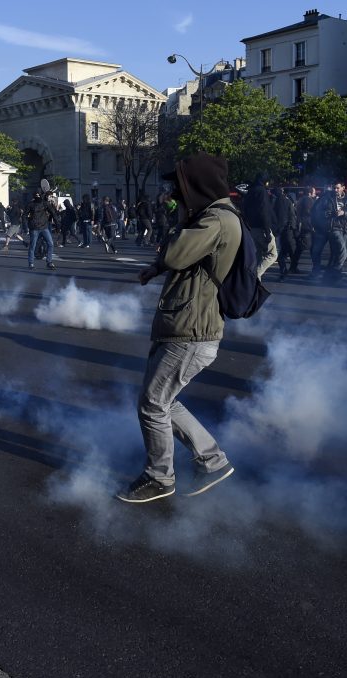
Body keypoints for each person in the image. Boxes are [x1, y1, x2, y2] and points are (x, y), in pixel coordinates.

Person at [117, 152, 240, 503]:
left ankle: (160, 477)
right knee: (162, 401)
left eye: (179, 185)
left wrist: (181, 218)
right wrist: (154, 269)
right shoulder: (212, 217)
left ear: (195, 184)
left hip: (192, 330)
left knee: (152, 403)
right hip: (187, 325)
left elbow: (175, 254)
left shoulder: (214, 219)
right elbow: (176, 260)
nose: (174, 192)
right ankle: (212, 460)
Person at [311, 181, 347, 283]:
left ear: (343, 188)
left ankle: (333, 273)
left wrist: (344, 213)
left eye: (337, 188)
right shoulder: (327, 197)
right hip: (327, 227)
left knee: (337, 252)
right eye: (334, 188)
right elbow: (316, 210)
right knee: (318, 250)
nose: (335, 190)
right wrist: (329, 214)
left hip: (342, 228)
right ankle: (318, 270)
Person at [241, 173, 277, 278]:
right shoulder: (261, 191)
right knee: (272, 254)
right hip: (262, 228)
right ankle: (254, 277)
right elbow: (264, 211)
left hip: (252, 228)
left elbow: (245, 210)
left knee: (257, 257)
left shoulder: (250, 191)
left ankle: (254, 286)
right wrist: (267, 231)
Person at [25, 191, 58, 269]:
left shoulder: (44, 203)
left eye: (38, 195)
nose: (37, 196)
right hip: (36, 228)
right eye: (36, 195)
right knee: (34, 246)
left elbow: (53, 213)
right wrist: (26, 226)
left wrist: (57, 224)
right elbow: (24, 216)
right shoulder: (31, 204)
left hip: (42, 227)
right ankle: (32, 263)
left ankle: (48, 262)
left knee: (49, 244)